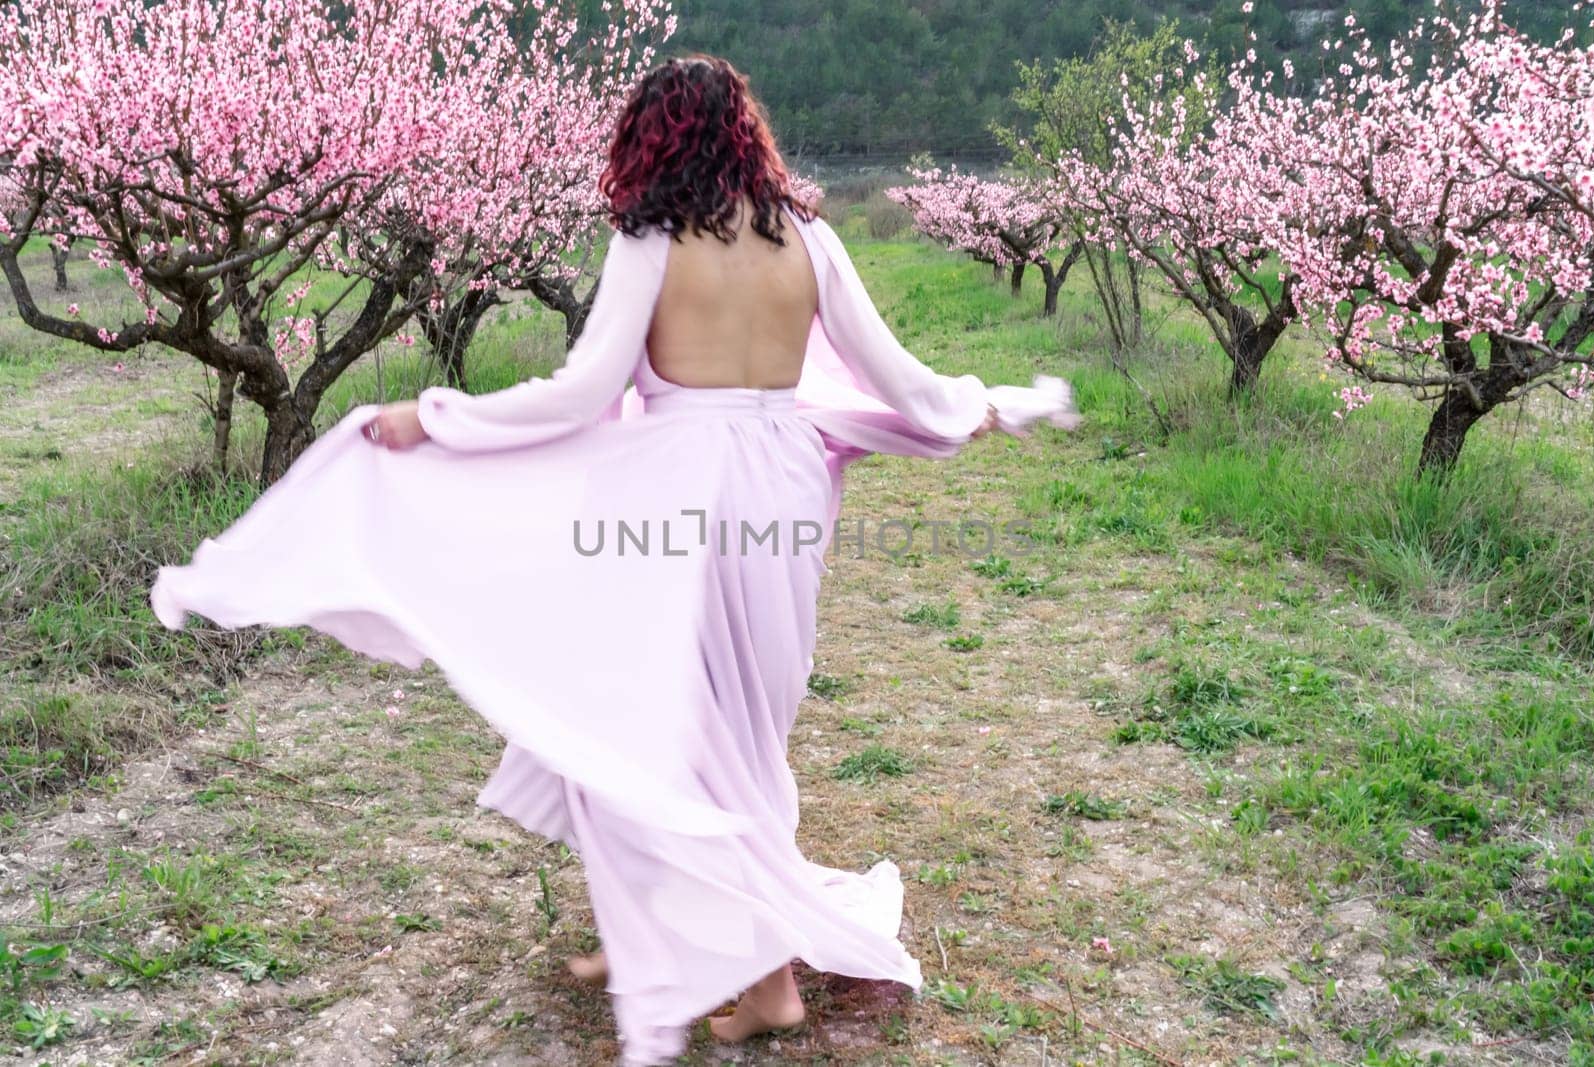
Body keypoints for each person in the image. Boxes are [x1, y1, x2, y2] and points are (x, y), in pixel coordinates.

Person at [152, 54, 1078, 1065]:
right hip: (781, 488)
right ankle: (651, 934)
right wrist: (984, 403)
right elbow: (899, 377)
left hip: (674, 490)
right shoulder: (809, 237)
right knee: (729, 720)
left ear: (653, 141)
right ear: (746, 133)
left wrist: (441, 417)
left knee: (660, 713)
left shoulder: (649, 238)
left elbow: (578, 392)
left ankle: (765, 980)